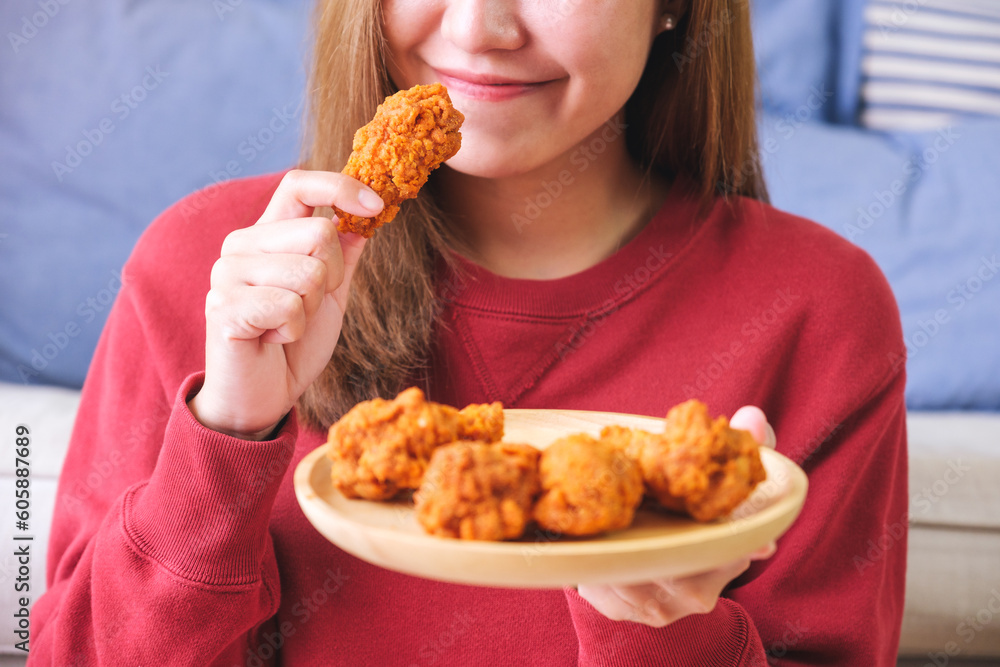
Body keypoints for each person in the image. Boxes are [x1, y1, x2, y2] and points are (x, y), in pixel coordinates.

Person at [29, 0, 908, 665]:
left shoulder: (819, 312)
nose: (481, 28)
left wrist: (661, 630)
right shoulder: (216, 272)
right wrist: (225, 437)